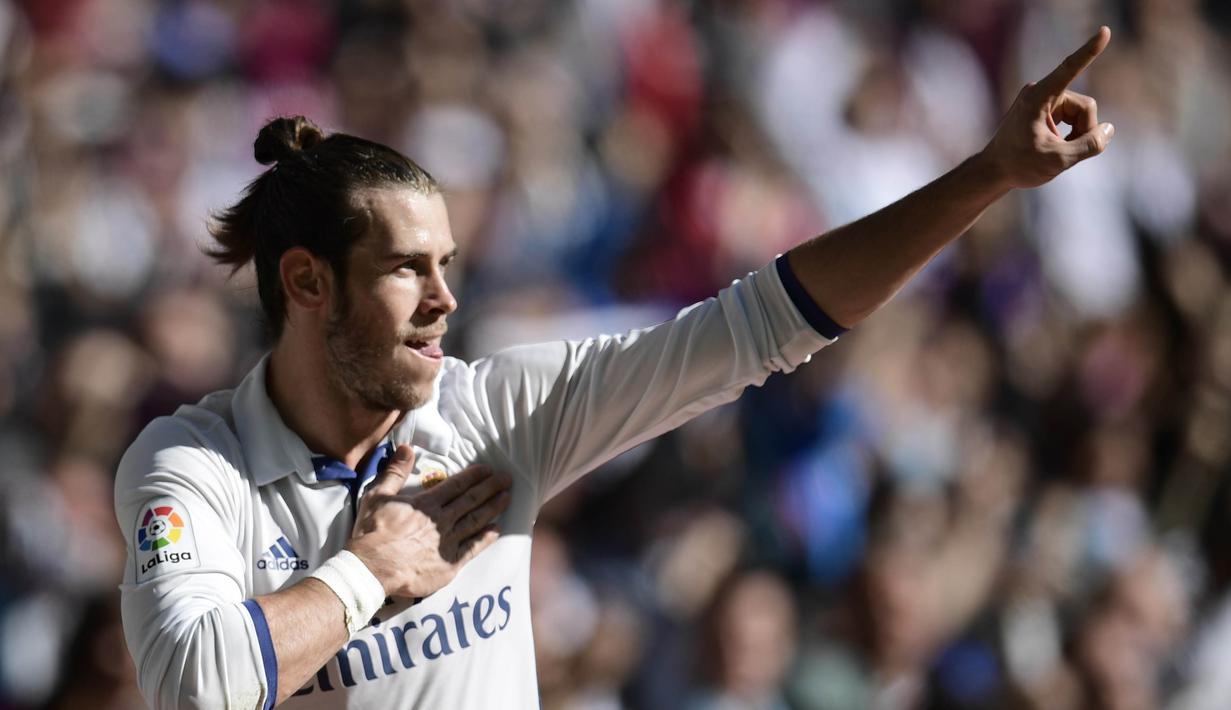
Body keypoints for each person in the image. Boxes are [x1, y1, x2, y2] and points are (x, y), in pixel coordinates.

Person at [114, 27, 1117, 710]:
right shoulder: (194, 468)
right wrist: (372, 566)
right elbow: (193, 681)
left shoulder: (497, 411)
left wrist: (987, 176)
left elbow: (768, 320)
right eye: (405, 270)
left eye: (449, 266)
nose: (444, 298)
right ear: (307, 281)